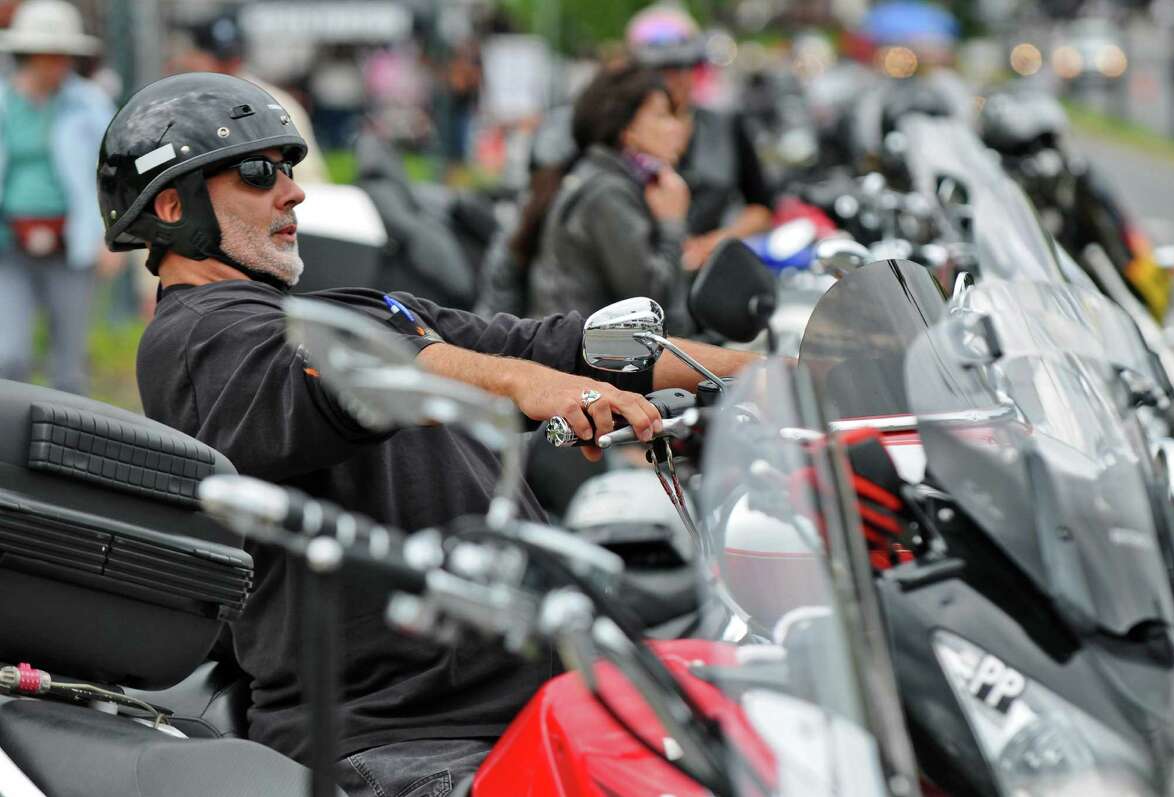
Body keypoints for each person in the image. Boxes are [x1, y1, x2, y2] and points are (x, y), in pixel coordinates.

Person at [97, 71, 757, 797]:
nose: (294, 192)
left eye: (289, 168)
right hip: (404, 742)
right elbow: (335, 374)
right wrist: (521, 385)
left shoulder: (352, 310)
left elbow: (552, 344)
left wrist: (766, 368)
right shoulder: (199, 337)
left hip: (535, 701)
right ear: (170, 204)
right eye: (258, 173)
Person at [0, 0, 117, 396]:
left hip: (71, 243)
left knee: (68, 368)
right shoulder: (2, 103)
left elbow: (111, 173)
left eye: (64, 56)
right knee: (8, 356)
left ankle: (65, 450)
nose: (58, 64)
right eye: (49, 55)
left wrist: (111, 238)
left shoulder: (89, 103)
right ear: (27, 55)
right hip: (9, 245)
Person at [522, 64, 692, 330]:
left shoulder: (608, 178)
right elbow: (649, 304)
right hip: (587, 360)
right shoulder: (608, 192)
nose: (676, 128)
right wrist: (672, 224)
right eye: (662, 116)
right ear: (627, 129)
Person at [625, 3, 773, 269]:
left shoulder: (725, 124)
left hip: (709, 272)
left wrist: (718, 241)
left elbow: (761, 206)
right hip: (642, 271)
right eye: (662, 70)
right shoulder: (622, 131)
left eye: (684, 66)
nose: (674, 80)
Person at [172, 9, 330, 185]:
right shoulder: (183, 102)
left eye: (228, 58)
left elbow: (310, 184)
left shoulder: (273, 103)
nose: (183, 59)